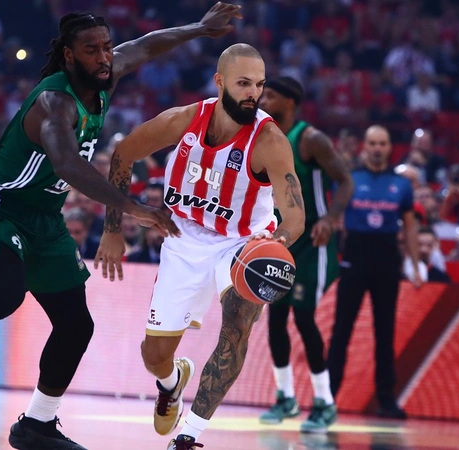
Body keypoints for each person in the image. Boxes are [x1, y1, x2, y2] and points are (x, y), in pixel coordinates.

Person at [0, 4, 243, 450]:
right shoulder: (54, 102)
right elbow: (67, 164)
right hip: (0, 207)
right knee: (5, 293)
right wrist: (131, 207)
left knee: (76, 325)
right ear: (69, 56)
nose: (104, 57)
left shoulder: (104, 75)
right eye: (91, 50)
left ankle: (37, 424)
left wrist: (199, 27)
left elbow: (146, 46)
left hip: (45, 218)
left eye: (106, 47)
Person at [96, 44, 306, 450]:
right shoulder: (185, 120)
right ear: (220, 82)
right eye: (244, 83)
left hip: (244, 243)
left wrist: (278, 240)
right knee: (154, 355)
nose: (253, 93)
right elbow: (123, 154)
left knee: (235, 331)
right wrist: (113, 229)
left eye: (259, 85)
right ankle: (171, 382)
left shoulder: (269, 140)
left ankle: (189, 434)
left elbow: (295, 214)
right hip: (185, 237)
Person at [256, 76, 353, 432]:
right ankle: (285, 397)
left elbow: (345, 180)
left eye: (270, 95)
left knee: (304, 317)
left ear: (290, 102)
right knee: (275, 319)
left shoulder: (310, 139)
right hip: (280, 240)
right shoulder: (263, 137)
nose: (262, 100)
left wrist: (330, 218)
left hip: (313, 240)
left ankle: (325, 402)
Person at [327, 125, 422, 420]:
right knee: (342, 328)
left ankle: (386, 400)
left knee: (385, 331)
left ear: (390, 147)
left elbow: (410, 227)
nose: (377, 148)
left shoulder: (402, 185)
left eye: (382, 143)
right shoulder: (349, 180)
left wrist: (415, 265)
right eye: (372, 143)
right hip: (355, 256)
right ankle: (326, 397)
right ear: (364, 147)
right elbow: (333, 220)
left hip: (387, 259)